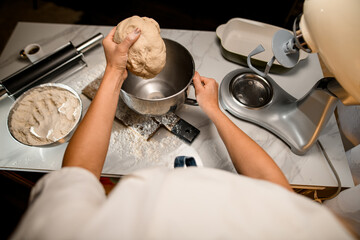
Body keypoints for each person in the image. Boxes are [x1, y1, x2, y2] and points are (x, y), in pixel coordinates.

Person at [11, 27, 355, 240]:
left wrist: (115, 72)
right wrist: (215, 112)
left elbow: (77, 173)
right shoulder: (303, 232)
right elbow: (271, 182)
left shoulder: (70, 233)